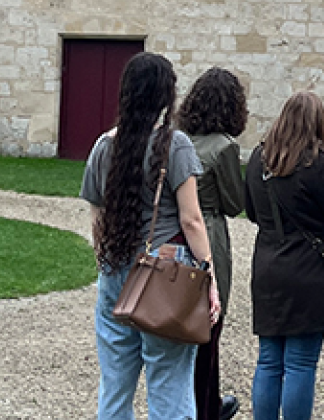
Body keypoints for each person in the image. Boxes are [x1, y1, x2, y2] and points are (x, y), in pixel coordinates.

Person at [79, 52, 221, 420]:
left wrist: (109, 261)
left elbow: (97, 219)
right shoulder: (175, 146)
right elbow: (191, 220)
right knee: (169, 384)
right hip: (166, 272)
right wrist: (209, 275)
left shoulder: (102, 146)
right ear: (165, 96)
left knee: (115, 386)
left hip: (115, 267)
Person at [245, 92, 324, 420]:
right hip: (307, 269)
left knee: (268, 360)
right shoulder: (316, 162)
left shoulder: (258, 159)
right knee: (300, 362)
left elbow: (252, 212)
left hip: (267, 264)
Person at [182, 68, 249, 420]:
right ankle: (205, 407)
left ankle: (196, 404)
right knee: (211, 321)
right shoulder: (224, 147)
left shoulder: (179, 139)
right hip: (209, 227)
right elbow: (233, 203)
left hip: (177, 229)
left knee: (182, 325)